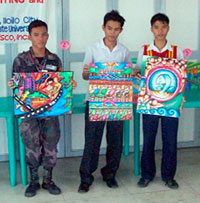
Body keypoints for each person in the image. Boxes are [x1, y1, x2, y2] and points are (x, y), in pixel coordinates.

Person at [8, 20, 77, 197]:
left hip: (50, 112)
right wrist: (13, 85)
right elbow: (17, 87)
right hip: (29, 113)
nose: (40, 38)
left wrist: (69, 84)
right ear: (29, 37)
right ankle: (33, 181)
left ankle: (48, 180)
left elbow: (60, 84)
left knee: (51, 144)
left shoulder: (54, 59)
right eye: (36, 34)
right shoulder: (20, 60)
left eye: (44, 34)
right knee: (31, 145)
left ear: (48, 35)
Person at [78, 10, 130, 193]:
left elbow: (127, 77)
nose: (112, 32)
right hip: (95, 99)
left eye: (116, 29)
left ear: (121, 30)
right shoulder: (93, 48)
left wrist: (129, 74)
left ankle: (110, 174)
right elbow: (85, 76)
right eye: (109, 28)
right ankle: (86, 177)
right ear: (103, 27)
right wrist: (87, 72)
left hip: (117, 100)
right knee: (92, 140)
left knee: (115, 139)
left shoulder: (124, 51)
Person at [136, 13, 184, 189]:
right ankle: (146, 174)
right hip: (149, 101)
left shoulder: (175, 50)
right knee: (148, 139)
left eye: (163, 27)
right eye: (156, 27)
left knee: (170, 139)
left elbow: (181, 77)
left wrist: (182, 95)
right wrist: (137, 74)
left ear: (168, 28)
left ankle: (169, 176)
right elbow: (138, 72)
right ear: (151, 29)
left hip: (171, 102)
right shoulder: (144, 50)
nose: (160, 31)